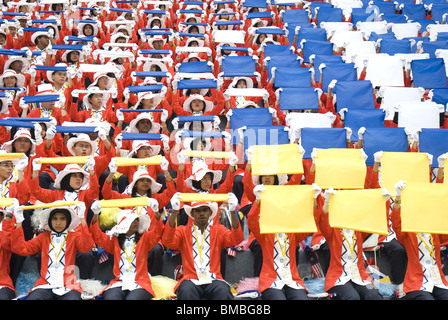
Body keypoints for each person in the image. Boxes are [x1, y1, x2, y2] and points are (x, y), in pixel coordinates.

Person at [162, 193, 244, 300]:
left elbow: (236, 239)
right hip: (191, 279)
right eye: (197, 210)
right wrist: (174, 211)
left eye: (205, 210)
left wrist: (232, 212)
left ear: (210, 213)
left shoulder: (218, 230)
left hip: (213, 278)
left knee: (223, 290)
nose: (202, 213)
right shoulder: (183, 231)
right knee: (186, 291)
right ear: (192, 213)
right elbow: (168, 241)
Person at [247, 184, 322, 300]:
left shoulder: (293, 232)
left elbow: (313, 222)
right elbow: (251, 221)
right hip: (271, 281)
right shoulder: (264, 232)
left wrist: (316, 199)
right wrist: (258, 200)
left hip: (292, 280)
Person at [10, 201, 95, 300]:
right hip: (45, 284)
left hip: (68, 285)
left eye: (62, 219)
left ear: (68, 220)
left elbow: (87, 246)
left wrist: (82, 218)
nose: (58, 223)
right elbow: (20, 249)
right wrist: (19, 222)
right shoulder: (43, 237)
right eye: (55, 219)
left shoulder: (74, 237)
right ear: (50, 220)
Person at [316, 188, 384, 300]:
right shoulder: (332, 230)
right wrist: (327, 204)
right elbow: (323, 222)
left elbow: (374, 220)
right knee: (352, 297)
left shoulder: (358, 228)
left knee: (374, 296)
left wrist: (383, 203)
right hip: (339, 278)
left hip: (361, 277)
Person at [89, 200, 164, 300]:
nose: (136, 222)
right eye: (133, 220)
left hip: (140, 283)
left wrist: (156, 212)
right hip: (119, 282)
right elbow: (96, 235)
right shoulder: (114, 240)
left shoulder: (144, 238)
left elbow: (158, 231)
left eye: (137, 220)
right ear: (124, 223)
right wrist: (95, 214)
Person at [391, 181, 448, 300]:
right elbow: (396, 223)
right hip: (416, 284)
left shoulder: (435, 229)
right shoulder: (409, 231)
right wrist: (398, 198)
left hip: (437, 281)